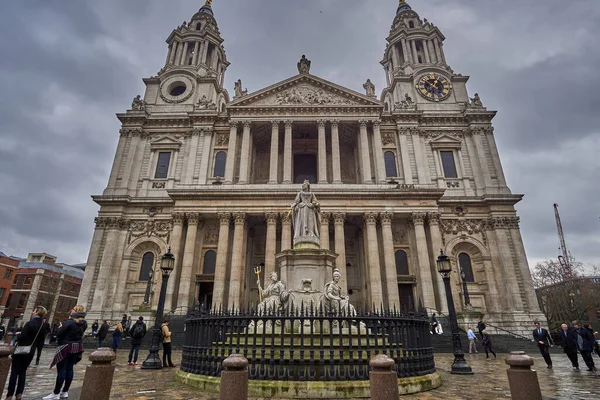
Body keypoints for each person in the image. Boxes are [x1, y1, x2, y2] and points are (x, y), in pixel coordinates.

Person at [43, 305, 87, 400]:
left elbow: (59, 333)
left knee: (62, 369)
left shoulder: (69, 322)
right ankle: (65, 391)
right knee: (70, 369)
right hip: (77, 347)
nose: (71, 310)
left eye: (73, 309)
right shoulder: (84, 323)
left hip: (66, 346)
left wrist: (60, 327)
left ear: (76, 312)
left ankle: (56, 393)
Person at [5, 306, 47, 400]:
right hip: (31, 351)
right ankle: (19, 394)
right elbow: (40, 340)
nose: (32, 312)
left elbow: (22, 337)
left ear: (37, 313)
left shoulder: (29, 323)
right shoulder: (43, 325)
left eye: (34, 311)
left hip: (21, 349)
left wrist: (17, 336)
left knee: (14, 372)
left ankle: (9, 395)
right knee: (23, 372)